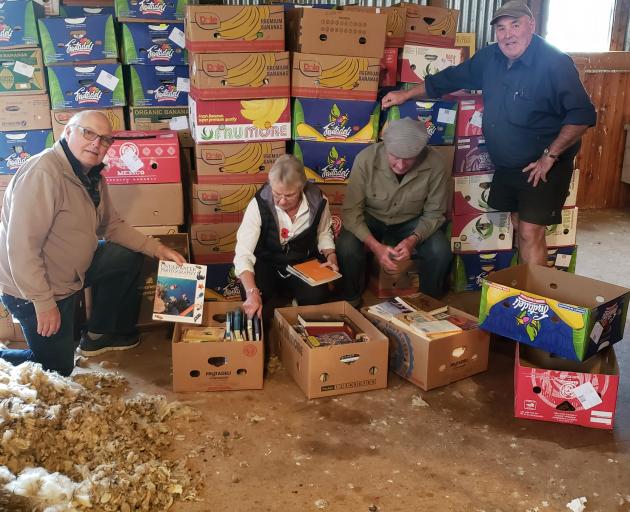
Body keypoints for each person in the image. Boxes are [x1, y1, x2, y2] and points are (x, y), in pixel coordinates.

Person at [381, 0, 596, 266]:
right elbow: (448, 79)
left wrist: (549, 156)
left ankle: (533, 301)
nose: (508, 35)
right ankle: (525, 280)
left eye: (515, 26)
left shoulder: (555, 63)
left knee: (530, 231)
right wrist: (405, 94)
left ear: (531, 25)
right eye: (501, 29)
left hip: (542, 165)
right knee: (518, 223)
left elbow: (582, 116)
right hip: (507, 164)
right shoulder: (490, 57)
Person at [0, 110, 186, 376]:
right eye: (88, 133)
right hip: (35, 287)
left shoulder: (92, 174)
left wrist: (158, 249)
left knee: (126, 255)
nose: (96, 144)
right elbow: (20, 247)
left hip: (72, 271)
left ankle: (101, 334)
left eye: (105, 139)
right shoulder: (43, 173)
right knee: (56, 370)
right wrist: (43, 302)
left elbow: (111, 225)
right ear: (67, 132)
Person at [336, 117, 452, 305]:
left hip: (411, 221)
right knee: (346, 246)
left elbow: (434, 213)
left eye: (408, 160)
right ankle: (351, 299)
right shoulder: (365, 159)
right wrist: (374, 246)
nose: (400, 165)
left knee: (440, 250)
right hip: (371, 218)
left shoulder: (436, 163)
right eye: (395, 157)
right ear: (385, 146)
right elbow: (351, 212)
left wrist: (412, 240)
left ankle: (429, 302)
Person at [234, 154, 337, 321]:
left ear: (302, 187)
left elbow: (324, 232)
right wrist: (252, 292)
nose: (282, 201)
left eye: (289, 195)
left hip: (302, 263)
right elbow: (243, 253)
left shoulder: (319, 200)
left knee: (318, 296)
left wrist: (331, 256)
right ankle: (278, 301)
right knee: (254, 303)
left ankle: (293, 302)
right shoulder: (258, 204)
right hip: (268, 263)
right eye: (276, 194)